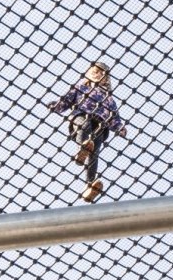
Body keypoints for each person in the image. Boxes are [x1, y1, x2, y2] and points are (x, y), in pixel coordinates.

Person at [46, 61, 129, 202]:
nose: (100, 75)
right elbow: (66, 101)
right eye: (96, 72)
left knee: (94, 153)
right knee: (84, 125)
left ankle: (89, 185)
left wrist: (119, 128)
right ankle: (81, 149)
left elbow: (114, 117)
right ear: (90, 73)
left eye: (103, 74)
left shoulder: (109, 99)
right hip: (80, 118)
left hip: (100, 126)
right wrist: (55, 105)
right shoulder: (80, 89)